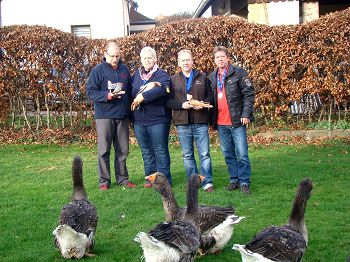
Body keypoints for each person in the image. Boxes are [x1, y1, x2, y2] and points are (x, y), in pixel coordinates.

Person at [86, 41, 136, 190]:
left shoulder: (124, 70)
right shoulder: (97, 71)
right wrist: (107, 95)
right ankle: (104, 182)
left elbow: (130, 91)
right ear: (105, 55)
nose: (115, 59)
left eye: (117, 56)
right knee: (104, 150)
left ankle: (122, 179)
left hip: (122, 115)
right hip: (104, 116)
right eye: (112, 56)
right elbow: (90, 91)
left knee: (123, 150)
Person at [209, 46, 255, 194]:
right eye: (217, 57)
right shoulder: (211, 77)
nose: (220, 59)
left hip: (237, 121)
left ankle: (244, 182)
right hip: (221, 123)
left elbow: (249, 95)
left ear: (228, 58)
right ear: (214, 60)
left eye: (222, 56)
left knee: (242, 154)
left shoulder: (239, 73)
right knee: (228, 154)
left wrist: (246, 114)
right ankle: (234, 180)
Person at [167, 49, 214, 192]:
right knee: (188, 155)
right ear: (178, 63)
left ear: (193, 61)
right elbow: (168, 101)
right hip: (182, 122)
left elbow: (210, 96)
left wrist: (202, 104)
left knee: (204, 154)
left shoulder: (202, 77)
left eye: (188, 60)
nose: (186, 62)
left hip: (200, 120)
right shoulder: (173, 79)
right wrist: (182, 105)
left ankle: (207, 182)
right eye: (183, 60)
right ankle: (193, 183)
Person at [131, 46, 172, 187]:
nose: (147, 60)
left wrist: (143, 96)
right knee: (146, 151)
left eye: (150, 57)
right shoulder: (136, 75)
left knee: (160, 151)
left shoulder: (162, 75)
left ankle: (164, 180)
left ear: (155, 59)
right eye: (144, 58)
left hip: (158, 120)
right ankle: (151, 178)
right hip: (139, 121)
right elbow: (131, 92)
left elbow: (163, 90)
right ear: (141, 60)